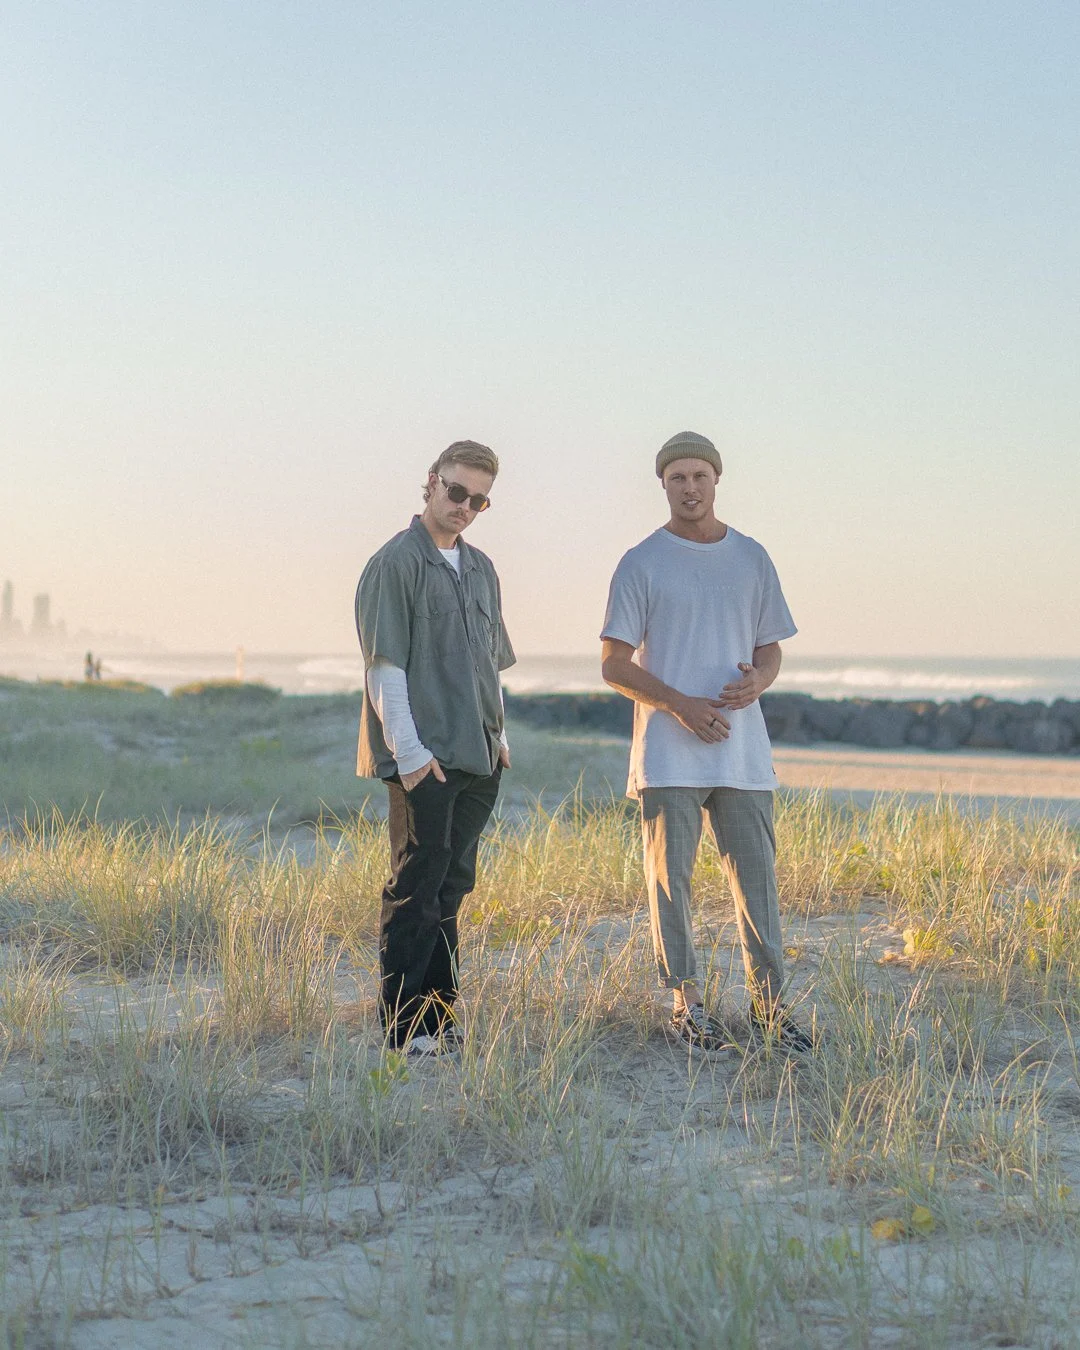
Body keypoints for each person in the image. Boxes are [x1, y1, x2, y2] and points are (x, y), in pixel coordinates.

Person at [600, 430, 814, 1053]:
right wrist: (680, 705)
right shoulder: (642, 561)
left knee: (758, 884)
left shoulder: (751, 557)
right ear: (663, 484)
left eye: (699, 476)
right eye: (677, 478)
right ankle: (685, 1006)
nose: (689, 488)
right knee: (673, 882)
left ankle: (771, 1009)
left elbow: (770, 647)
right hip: (668, 754)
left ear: (717, 479)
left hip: (743, 754)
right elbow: (613, 664)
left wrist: (759, 683)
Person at [355, 440, 515, 1057]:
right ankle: (402, 1030)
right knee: (415, 889)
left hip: (478, 755)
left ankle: (440, 1021)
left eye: (479, 500)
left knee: (452, 888)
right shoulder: (394, 564)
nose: (465, 507)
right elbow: (385, 668)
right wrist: (412, 755)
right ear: (430, 483)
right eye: (456, 492)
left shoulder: (481, 569)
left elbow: (490, 665)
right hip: (425, 759)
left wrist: (501, 738)